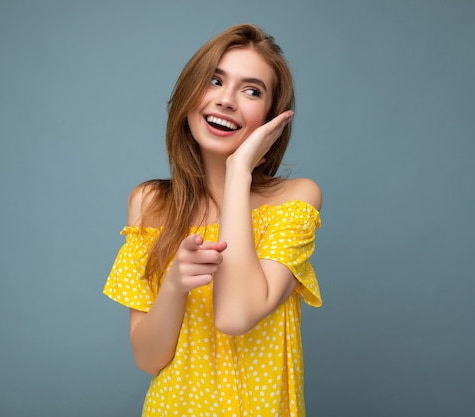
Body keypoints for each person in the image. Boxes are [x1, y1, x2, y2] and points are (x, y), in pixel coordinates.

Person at [104, 23, 323, 417]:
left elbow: (235, 315)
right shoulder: (150, 203)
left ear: (271, 117)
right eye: (214, 80)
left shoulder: (296, 199)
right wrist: (174, 285)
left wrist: (239, 172)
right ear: (190, 92)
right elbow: (148, 359)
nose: (226, 100)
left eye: (251, 90)